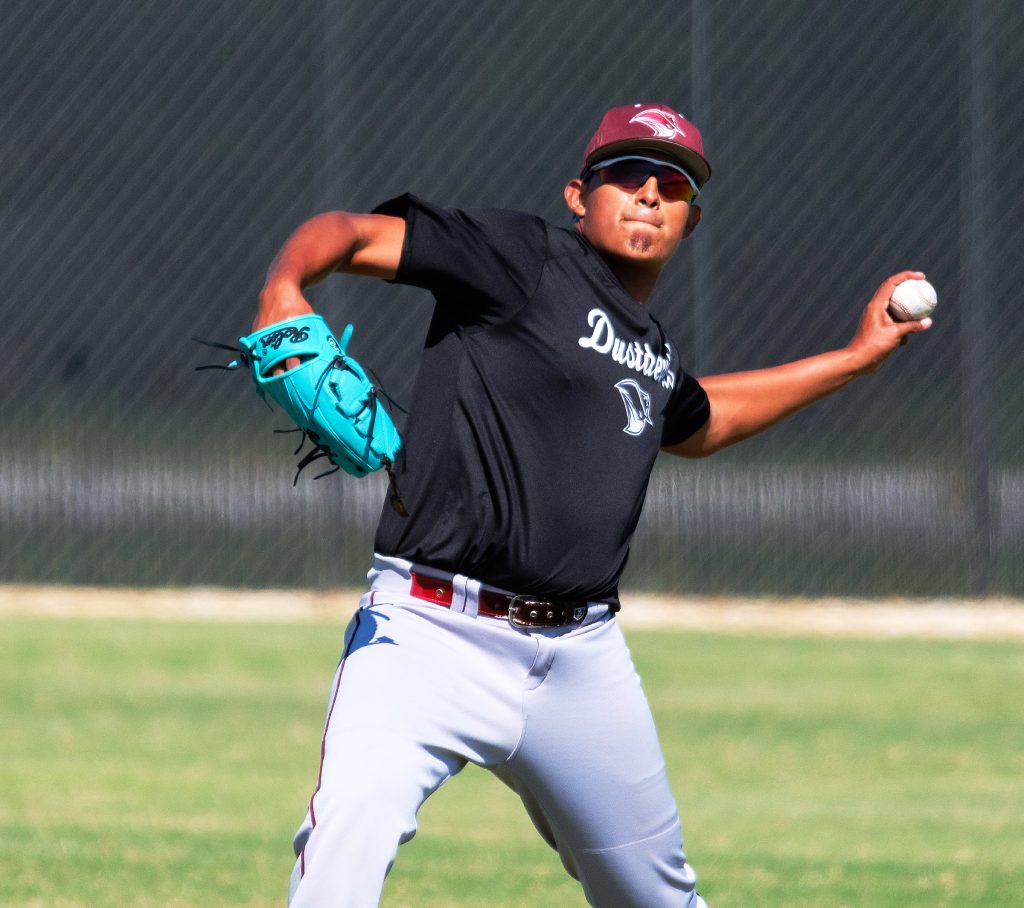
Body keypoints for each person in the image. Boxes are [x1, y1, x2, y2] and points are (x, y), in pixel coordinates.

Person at [254, 102, 931, 907]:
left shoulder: (648, 348)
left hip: (581, 661)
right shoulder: (520, 257)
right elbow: (349, 233)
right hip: (427, 635)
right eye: (627, 175)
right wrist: (285, 287)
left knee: (658, 898)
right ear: (580, 195)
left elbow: (702, 420)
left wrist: (855, 360)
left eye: (671, 184)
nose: (649, 193)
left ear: (691, 218)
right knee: (342, 850)